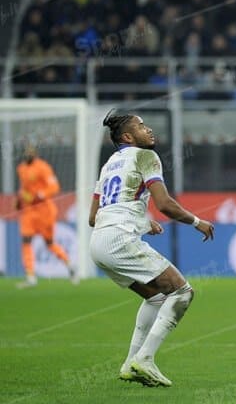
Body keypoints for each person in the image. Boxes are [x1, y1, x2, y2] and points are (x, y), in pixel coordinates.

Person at [89, 111, 215, 387]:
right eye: (141, 126)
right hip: (120, 239)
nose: (149, 130)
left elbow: (92, 217)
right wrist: (197, 221)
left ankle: (130, 365)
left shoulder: (109, 164)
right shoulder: (146, 156)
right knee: (183, 292)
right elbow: (165, 204)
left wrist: (143, 222)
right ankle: (144, 359)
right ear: (127, 137)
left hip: (98, 243)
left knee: (157, 298)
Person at [15, 145, 77, 288]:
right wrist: (19, 199)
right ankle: (30, 276)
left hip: (44, 211)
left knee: (49, 244)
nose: (27, 154)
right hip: (28, 212)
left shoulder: (43, 167)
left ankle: (70, 266)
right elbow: (23, 188)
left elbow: (54, 187)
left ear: (35, 154)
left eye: (30, 152)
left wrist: (39, 195)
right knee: (26, 241)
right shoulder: (21, 168)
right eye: (25, 151)